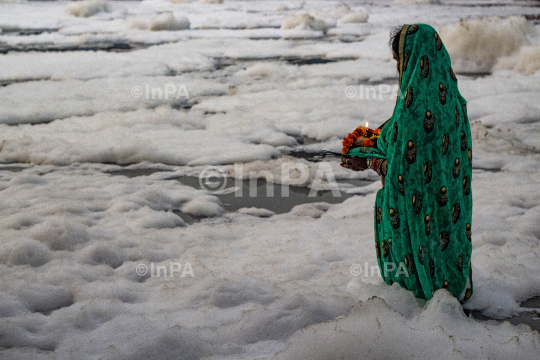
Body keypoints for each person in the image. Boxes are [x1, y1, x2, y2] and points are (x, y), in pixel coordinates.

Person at [341, 24, 473, 302]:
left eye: (400, 61)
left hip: (418, 221)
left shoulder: (412, 115)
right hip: (447, 218)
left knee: (415, 290)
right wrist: (375, 142)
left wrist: (366, 162)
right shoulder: (453, 102)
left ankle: (419, 297)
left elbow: (405, 173)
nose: (399, 69)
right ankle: (451, 287)